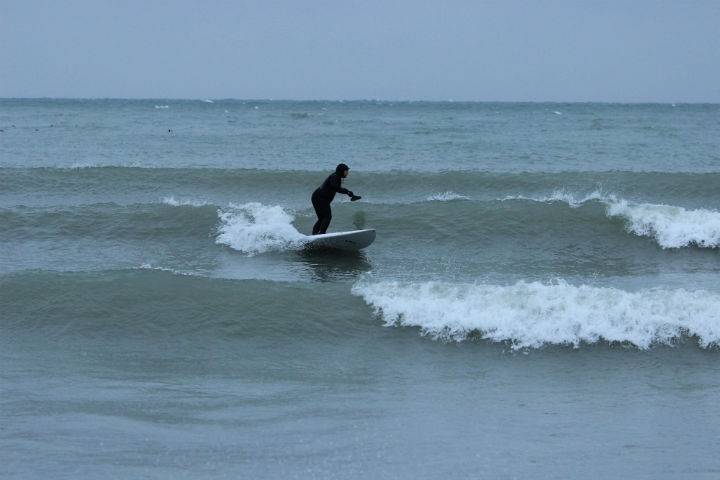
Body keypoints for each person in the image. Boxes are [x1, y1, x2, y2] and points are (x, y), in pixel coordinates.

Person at [311, 163, 361, 235]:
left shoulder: (336, 177)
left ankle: (315, 234)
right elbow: (335, 187)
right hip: (320, 198)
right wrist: (347, 192)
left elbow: (336, 188)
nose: (347, 173)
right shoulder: (335, 176)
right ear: (341, 171)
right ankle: (321, 234)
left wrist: (347, 192)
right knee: (327, 216)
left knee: (322, 218)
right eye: (346, 171)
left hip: (317, 197)